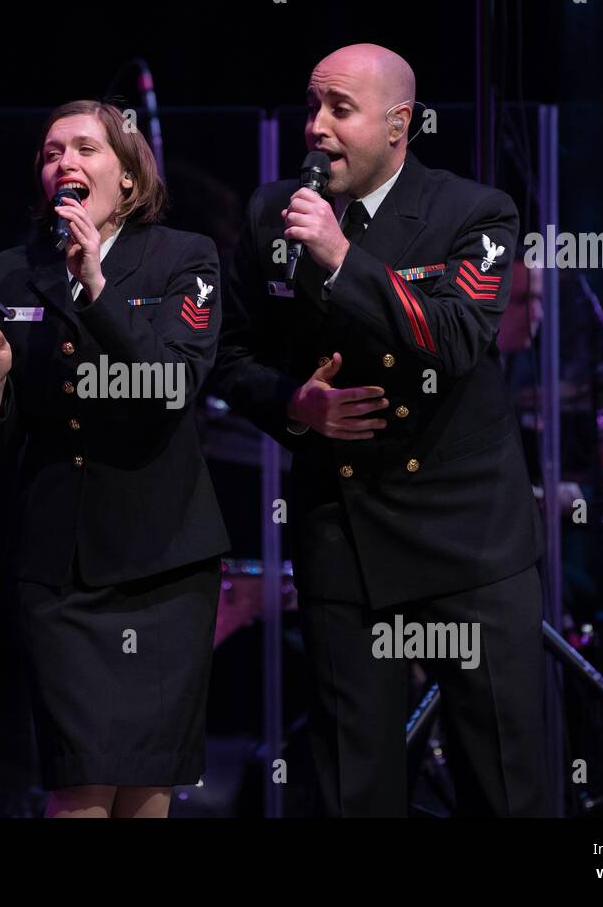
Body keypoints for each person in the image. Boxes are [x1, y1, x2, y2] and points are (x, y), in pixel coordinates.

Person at [213, 45, 548, 816]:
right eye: (310, 108)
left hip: (470, 540)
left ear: (399, 124)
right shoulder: (272, 212)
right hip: (345, 535)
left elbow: (459, 336)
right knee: (352, 783)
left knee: (506, 781)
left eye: (340, 110)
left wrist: (340, 259)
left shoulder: (476, 212)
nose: (316, 128)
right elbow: (226, 356)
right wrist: (295, 405)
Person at [0, 100, 230, 818]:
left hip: (165, 564)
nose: (64, 164)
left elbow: (169, 387)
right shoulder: (17, 271)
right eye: (51, 153)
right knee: (78, 784)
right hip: (62, 568)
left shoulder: (185, 258)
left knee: (146, 788)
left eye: (84, 148)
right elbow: (0, 442)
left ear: (131, 178)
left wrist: (101, 289)